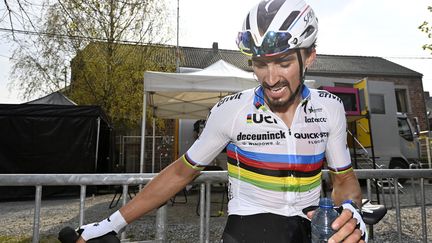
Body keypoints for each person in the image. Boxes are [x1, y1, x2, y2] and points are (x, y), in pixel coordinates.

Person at [76, 0, 367, 242]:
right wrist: (110, 224)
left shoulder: (330, 108)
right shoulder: (232, 110)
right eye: (260, 63)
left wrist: (352, 212)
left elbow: (344, 180)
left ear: (310, 57)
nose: (271, 77)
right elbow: (181, 173)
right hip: (249, 231)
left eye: (284, 62)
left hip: (310, 231)